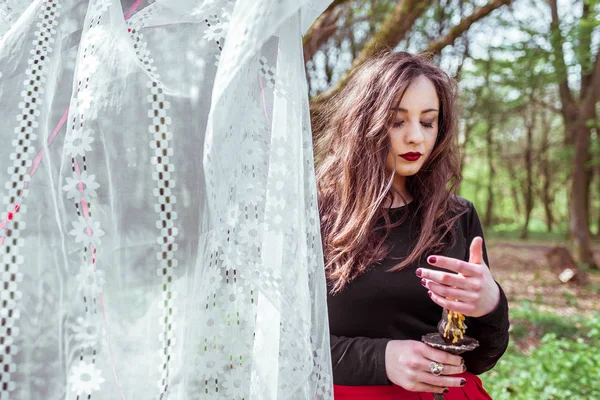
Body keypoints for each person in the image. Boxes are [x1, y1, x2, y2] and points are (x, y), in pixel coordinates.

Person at [314, 51, 510, 399]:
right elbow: (280, 340)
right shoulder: (316, 214)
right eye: (397, 121)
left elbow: (481, 358)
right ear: (362, 122)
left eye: (427, 121)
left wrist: (490, 303)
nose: (416, 137)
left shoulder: (457, 216)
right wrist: (381, 359)